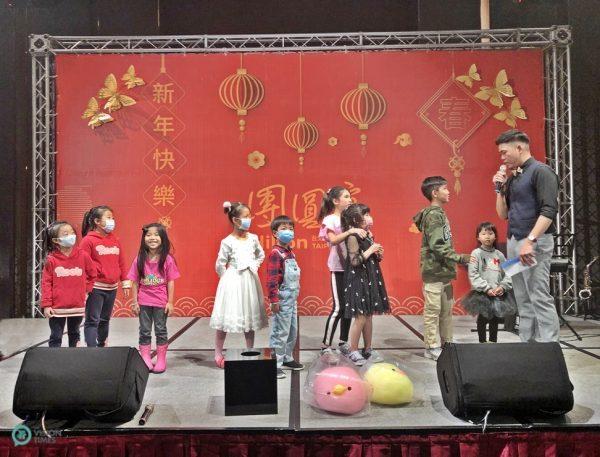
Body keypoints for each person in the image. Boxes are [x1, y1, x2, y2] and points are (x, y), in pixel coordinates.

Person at [493, 129, 560, 342]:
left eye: (504, 152)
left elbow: (549, 211)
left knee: (538, 294)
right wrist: (500, 189)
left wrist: (530, 241)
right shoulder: (513, 178)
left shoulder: (542, 172)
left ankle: (549, 346)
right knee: (522, 297)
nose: (502, 158)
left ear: (519, 147)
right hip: (514, 240)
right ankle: (528, 343)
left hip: (534, 242)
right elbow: (503, 214)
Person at [413, 176, 471, 360]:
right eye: (445, 188)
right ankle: (431, 346)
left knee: (446, 311)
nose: (449, 191)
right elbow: (438, 245)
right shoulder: (433, 215)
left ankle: (447, 343)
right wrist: (461, 258)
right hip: (434, 272)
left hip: (444, 271)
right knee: (433, 311)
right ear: (434, 193)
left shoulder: (439, 213)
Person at [211, 201, 267, 368]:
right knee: (226, 318)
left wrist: (254, 266)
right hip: (233, 282)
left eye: (250, 216)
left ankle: (249, 350)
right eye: (246, 217)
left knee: (249, 316)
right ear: (235, 220)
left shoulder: (253, 238)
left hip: (249, 281)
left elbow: (260, 254)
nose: (249, 219)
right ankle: (218, 353)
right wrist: (227, 279)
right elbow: (220, 264)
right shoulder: (227, 241)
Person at [318, 186, 366, 355]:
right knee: (338, 308)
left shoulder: (350, 219)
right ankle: (325, 345)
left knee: (348, 307)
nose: (350, 199)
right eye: (346, 196)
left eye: (350, 196)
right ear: (335, 201)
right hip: (338, 267)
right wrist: (351, 231)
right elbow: (333, 240)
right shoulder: (330, 219)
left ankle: (343, 342)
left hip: (351, 268)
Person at [128, 223, 180, 373]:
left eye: (156, 235)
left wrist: (170, 302)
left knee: (160, 329)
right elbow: (134, 281)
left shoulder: (168, 259)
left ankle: (161, 359)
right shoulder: (139, 259)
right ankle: (145, 357)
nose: (152, 238)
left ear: (162, 238)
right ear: (144, 238)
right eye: (148, 235)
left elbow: (171, 281)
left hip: (160, 302)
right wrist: (134, 301)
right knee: (144, 330)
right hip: (143, 301)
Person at [341, 203, 388, 366]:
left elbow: (369, 257)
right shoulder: (353, 237)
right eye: (365, 215)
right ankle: (353, 350)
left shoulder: (367, 234)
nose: (369, 218)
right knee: (360, 317)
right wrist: (370, 250)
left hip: (369, 278)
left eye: (369, 214)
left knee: (368, 316)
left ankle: (368, 348)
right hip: (357, 279)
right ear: (355, 219)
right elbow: (355, 261)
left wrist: (377, 254)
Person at [41, 220, 96, 347]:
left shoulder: (83, 256)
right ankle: (55, 363)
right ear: (56, 240)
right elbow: (46, 283)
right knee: (56, 336)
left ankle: (73, 362)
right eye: (65, 234)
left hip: (76, 306)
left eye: (72, 232)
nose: (71, 236)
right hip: (57, 308)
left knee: (74, 334)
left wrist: (87, 290)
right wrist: (47, 305)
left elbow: (92, 274)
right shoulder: (51, 260)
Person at [80, 206, 130, 347]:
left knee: (105, 319)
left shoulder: (115, 240)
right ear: (97, 221)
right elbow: (82, 265)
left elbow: (121, 262)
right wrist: (85, 288)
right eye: (108, 218)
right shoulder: (88, 241)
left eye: (112, 218)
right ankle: (92, 349)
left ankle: (102, 345)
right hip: (95, 287)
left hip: (112, 287)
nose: (112, 221)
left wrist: (125, 282)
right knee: (92, 320)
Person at [462, 222, 516, 343]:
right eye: (484, 233)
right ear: (478, 237)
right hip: (482, 293)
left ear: (495, 236)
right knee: (482, 318)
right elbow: (473, 274)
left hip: (497, 292)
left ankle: (493, 342)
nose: (487, 236)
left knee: (494, 319)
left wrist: (502, 286)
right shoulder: (476, 253)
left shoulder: (499, 255)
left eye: (490, 233)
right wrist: (486, 288)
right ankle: (482, 342)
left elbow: (508, 273)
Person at [267, 215, 304, 379]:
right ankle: (274, 363)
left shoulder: (290, 253)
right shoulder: (276, 253)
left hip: (292, 298)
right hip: (282, 298)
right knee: (279, 332)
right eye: (283, 229)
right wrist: (274, 300)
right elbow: (272, 279)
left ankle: (287, 358)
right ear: (275, 233)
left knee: (292, 331)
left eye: (290, 229)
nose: (288, 232)